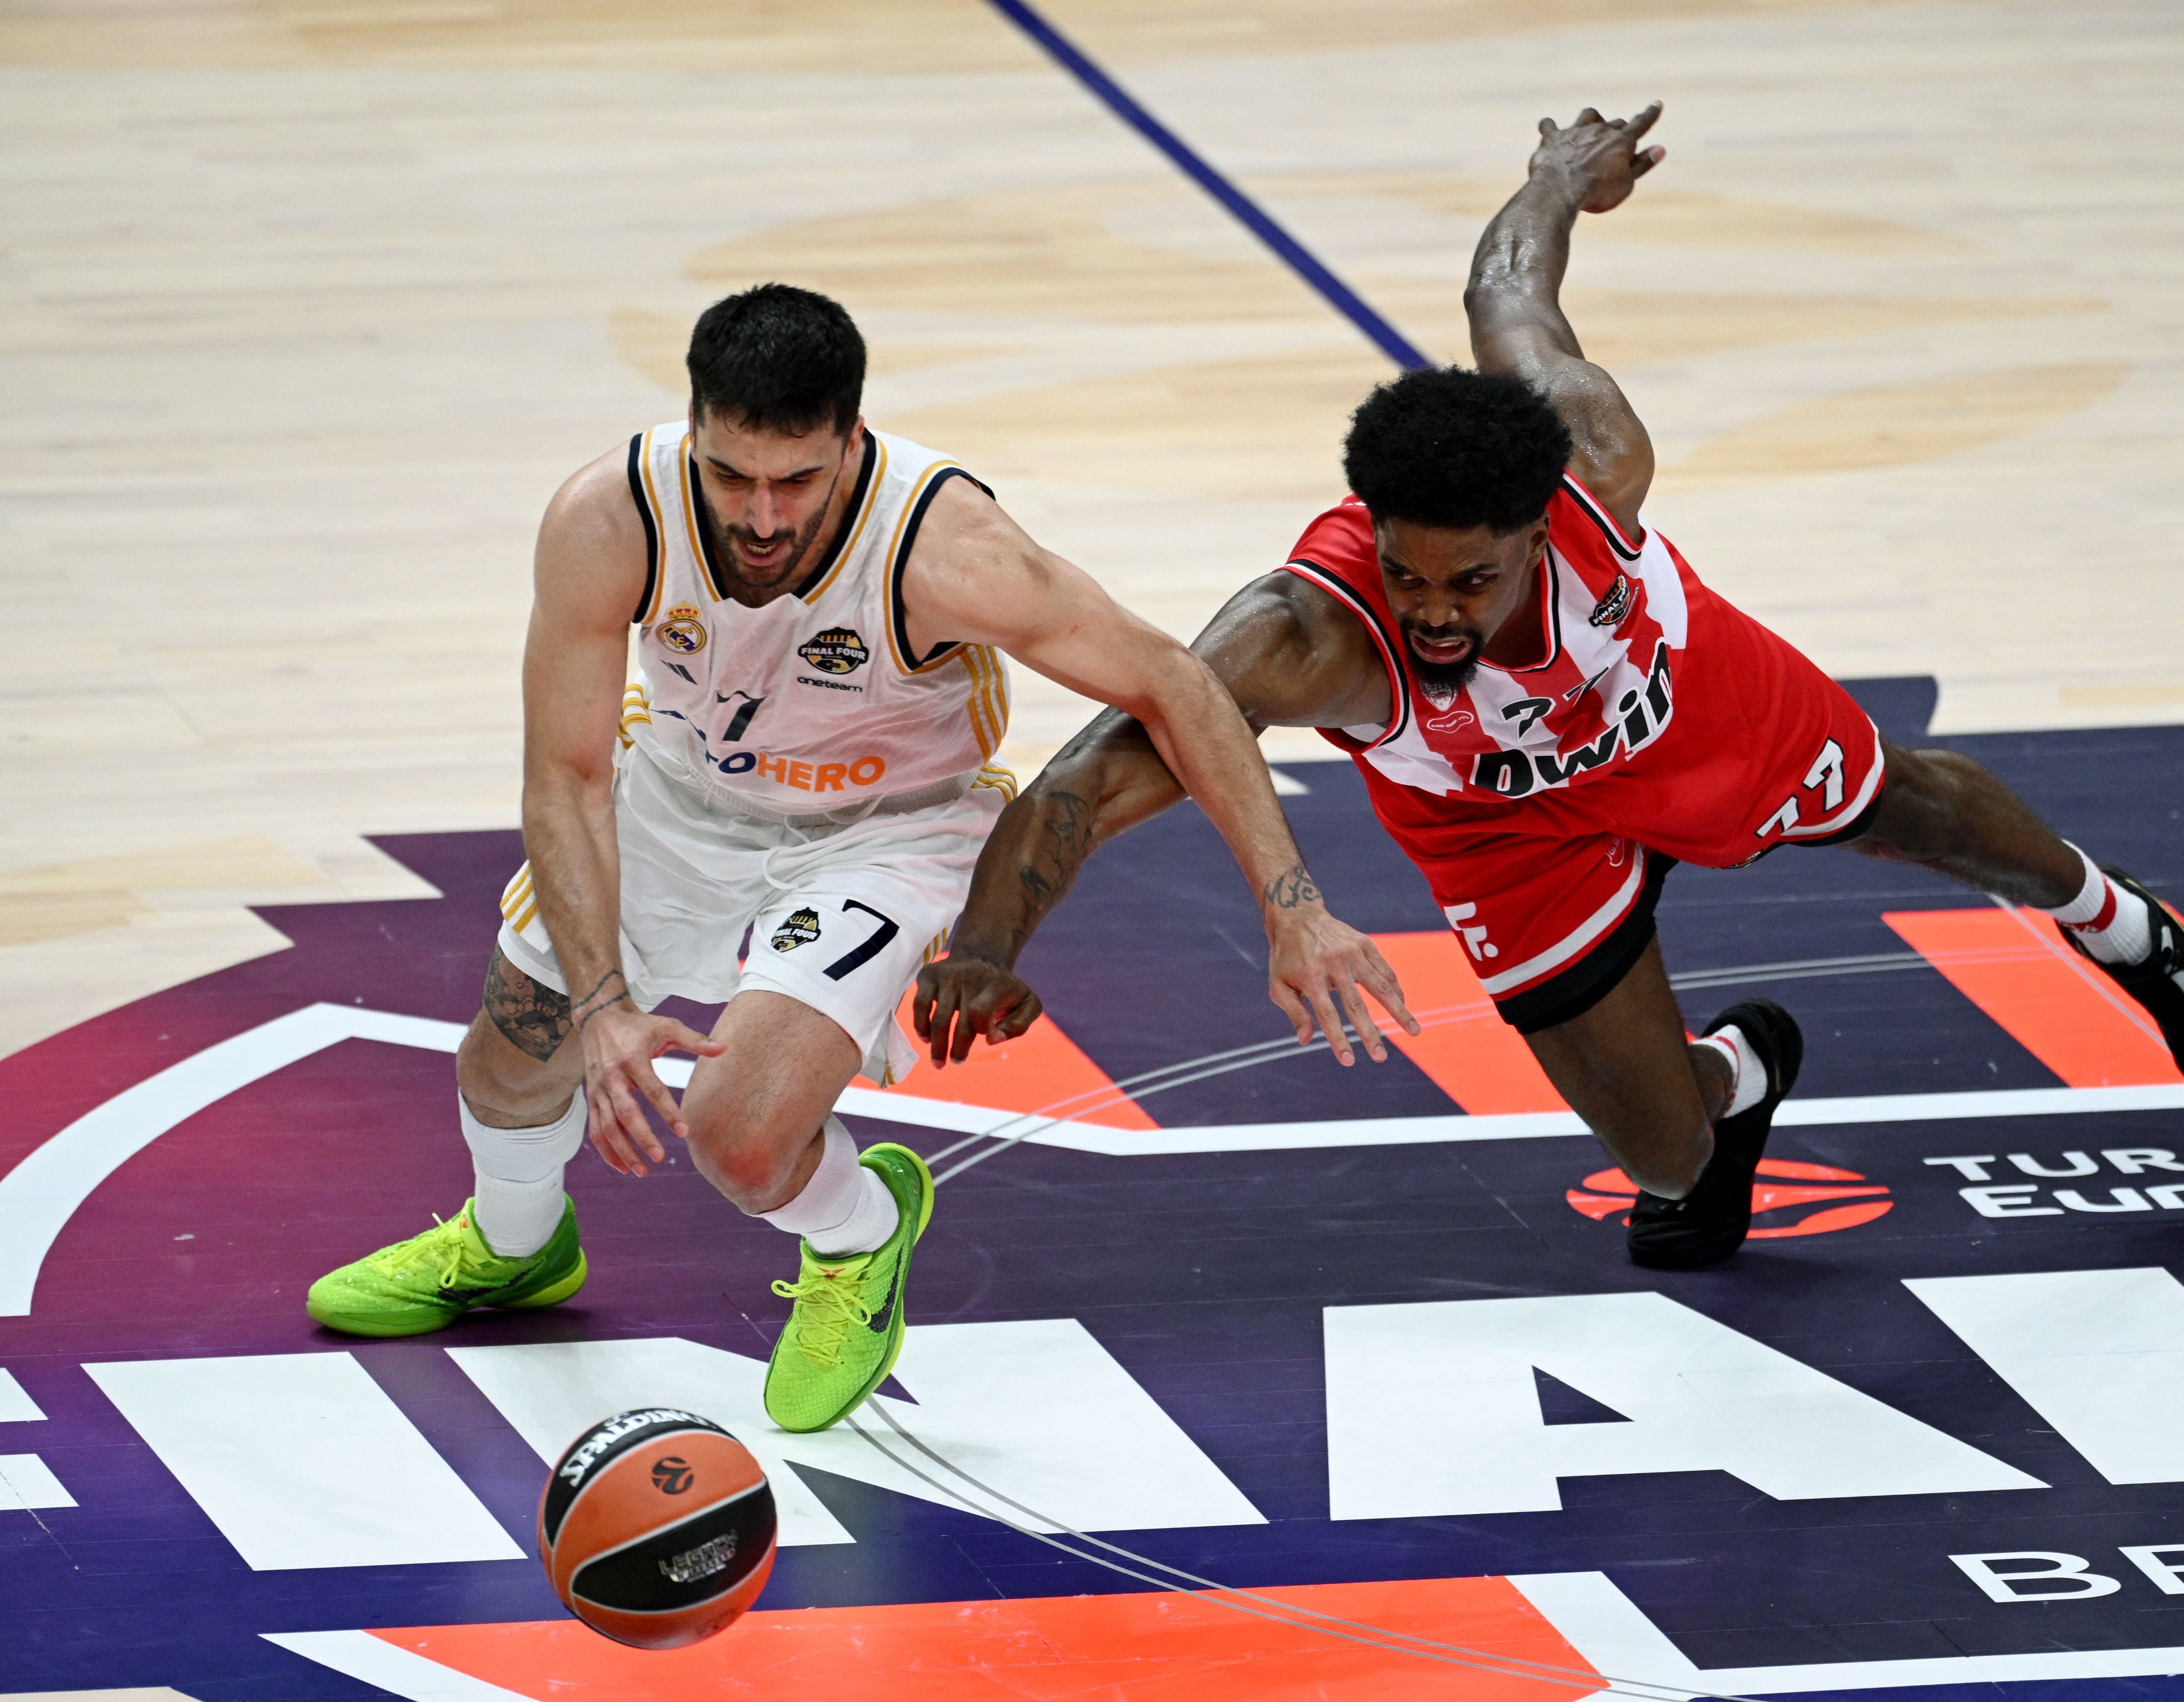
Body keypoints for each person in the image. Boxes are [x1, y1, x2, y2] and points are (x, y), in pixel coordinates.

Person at [912, 105, 2184, 1272]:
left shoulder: (1593, 453)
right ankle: (1742, 1076)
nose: (1435, 613)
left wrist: (1556, 177)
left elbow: (1506, 291)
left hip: (1682, 705)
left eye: (1472, 582)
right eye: (1410, 577)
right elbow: (1086, 778)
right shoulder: (1302, 635)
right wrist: (988, 946)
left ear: (1538, 524)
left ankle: (2122, 928)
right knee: (1671, 1167)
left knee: (1919, 809)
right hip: (1501, 829)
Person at [304, 284, 1412, 1431]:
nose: (764, 513)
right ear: (693, 430)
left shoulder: (947, 547)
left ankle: (861, 1234)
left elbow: (1173, 682)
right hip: (684, 794)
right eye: (733, 477)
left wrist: (1292, 904)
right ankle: (513, 1247)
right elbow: (566, 777)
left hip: (891, 826)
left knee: (740, 1137)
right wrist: (600, 1003)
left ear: (852, 441)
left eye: (798, 478)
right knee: (508, 1062)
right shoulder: (609, 518)